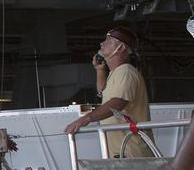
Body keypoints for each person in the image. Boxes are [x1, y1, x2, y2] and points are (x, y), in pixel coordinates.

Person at [64, 27, 153, 158]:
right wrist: (100, 71)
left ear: (121, 48)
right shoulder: (116, 73)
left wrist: (86, 119)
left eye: (108, 40)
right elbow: (104, 93)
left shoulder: (126, 71)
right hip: (122, 152)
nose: (102, 43)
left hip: (131, 152)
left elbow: (117, 103)